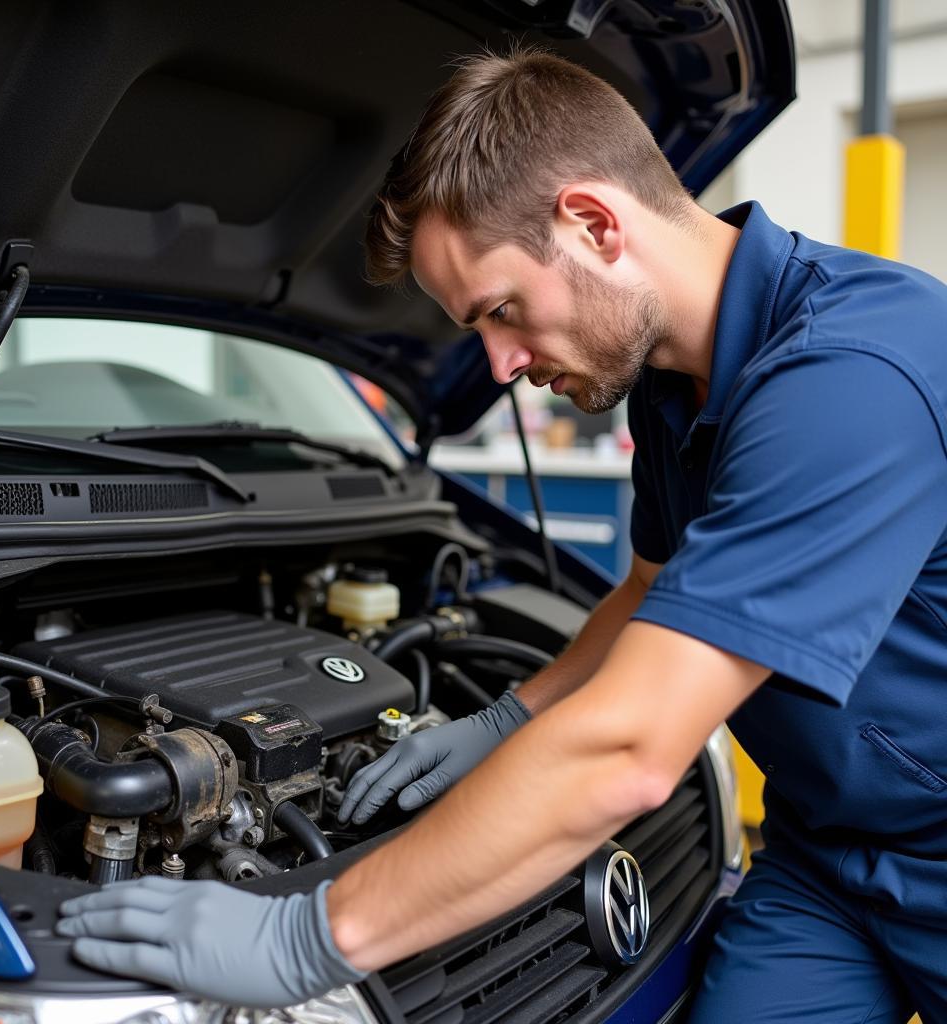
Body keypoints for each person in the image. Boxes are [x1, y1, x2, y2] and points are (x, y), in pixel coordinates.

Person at [56, 49, 947, 1022]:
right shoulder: (663, 376)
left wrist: (307, 936)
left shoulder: (852, 379)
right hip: (825, 855)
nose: (503, 364)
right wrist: (509, 718)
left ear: (596, 224)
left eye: (502, 312)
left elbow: (633, 752)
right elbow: (650, 585)